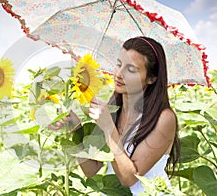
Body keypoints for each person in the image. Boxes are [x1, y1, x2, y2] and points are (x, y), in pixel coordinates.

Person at [49, 36, 180, 195]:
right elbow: (91, 169)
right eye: (119, 65)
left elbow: (129, 179)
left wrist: (108, 127)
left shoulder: (163, 118)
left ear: (152, 78)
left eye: (131, 69)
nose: (118, 74)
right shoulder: (112, 110)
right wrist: (76, 129)